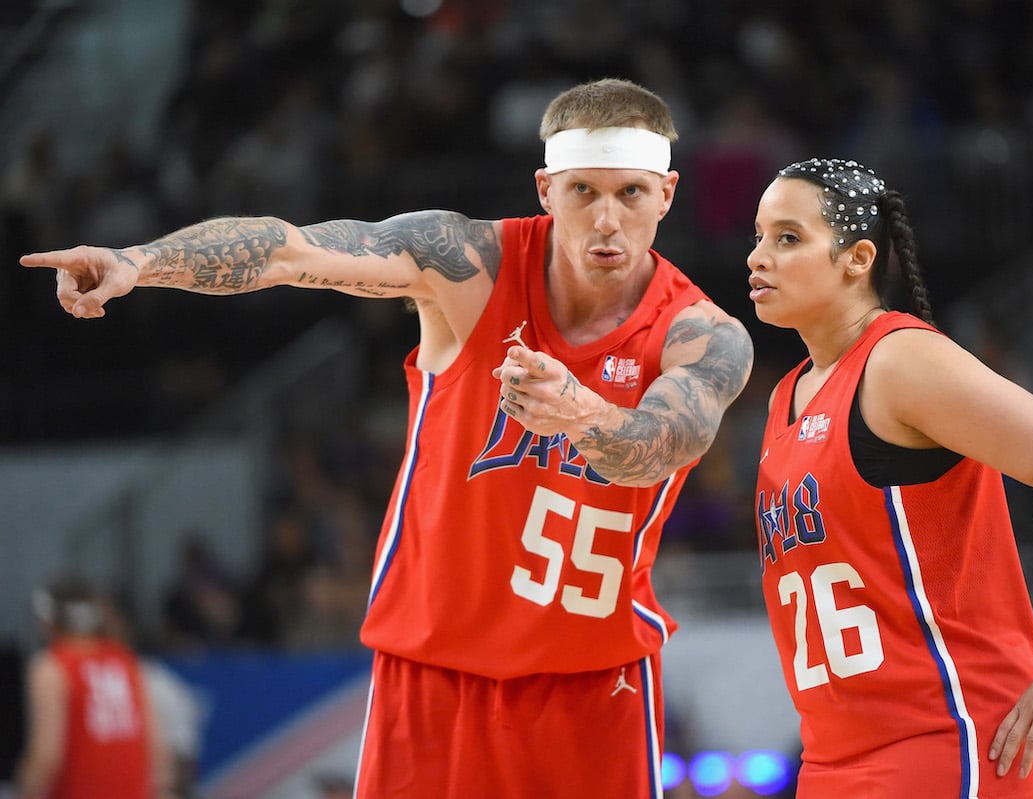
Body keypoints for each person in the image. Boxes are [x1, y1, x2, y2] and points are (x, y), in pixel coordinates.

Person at [20, 78, 754, 798]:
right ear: (544, 189)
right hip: (430, 669)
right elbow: (291, 251)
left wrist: (581, 412)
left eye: (630, 192)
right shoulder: (467, 265)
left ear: (666, 193)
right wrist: (140, 262)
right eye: (582, 191)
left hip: (595, 685)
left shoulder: (703, 333)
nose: (605, 220)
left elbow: (667, 443)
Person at [746, 158, 1033, 797]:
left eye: (787, 238)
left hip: (953, 735)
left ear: (857, 258)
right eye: (757, 236)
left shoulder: (898, 361)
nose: (758, 257)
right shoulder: (786, 398)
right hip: (835, 757)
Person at [15, 575, 170, 799]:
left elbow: (47, 756)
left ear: (47, 620)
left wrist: (25, 791)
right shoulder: (125, 661)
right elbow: (158, 749)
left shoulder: (52, 667)